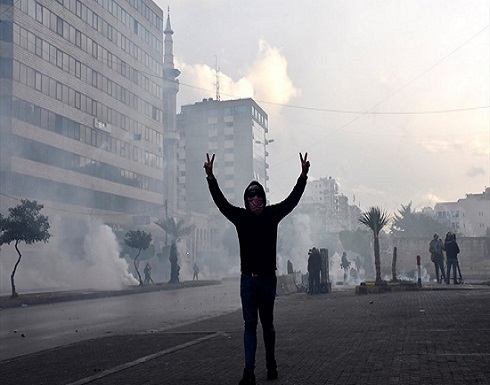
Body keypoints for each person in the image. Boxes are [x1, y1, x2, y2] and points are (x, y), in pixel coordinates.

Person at [204, 152, 310, 385]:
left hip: (267, 281)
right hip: (248, 281)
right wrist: (211, 178)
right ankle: (249, 372)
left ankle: (271, 365)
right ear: (246, 201)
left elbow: (292, 201)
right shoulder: (240, 218)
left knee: (268, 325)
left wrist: (303, 176)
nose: (255, 203)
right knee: (249, 325)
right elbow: (221, 203)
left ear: (263, 198)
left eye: (258, 198)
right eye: (251, 199)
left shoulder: (272, 215)